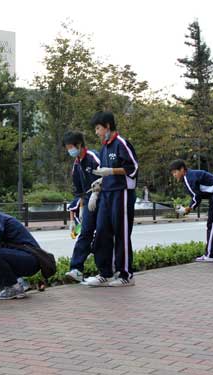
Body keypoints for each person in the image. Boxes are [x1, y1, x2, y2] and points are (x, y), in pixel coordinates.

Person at [83, 111, 139, 287]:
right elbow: (105, 170)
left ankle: (126, 275)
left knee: (121, 233)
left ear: (107, 126)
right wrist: (99, 182)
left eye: (98, 128)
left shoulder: (121, 143)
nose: (97, 132)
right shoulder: (105, 147)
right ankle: (105, 272)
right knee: (101, 231)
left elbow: (133, 168)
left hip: (122, 193)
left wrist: (112, 171)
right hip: (107, 192)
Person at [170, 159, 213, 262]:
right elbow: (198, 195)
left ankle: (210, 255)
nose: (174, 175)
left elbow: (196, 196)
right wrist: (190, 207)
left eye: (175, 172)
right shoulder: (190, 175)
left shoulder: (188, 177)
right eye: (172, 173)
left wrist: (187, 209)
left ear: (182, 169)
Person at [62, 131, 101, 282]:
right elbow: (80, 192)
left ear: (79, 145)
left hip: (103, 197)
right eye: (67, 148)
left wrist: (97, 193)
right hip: (88, 200)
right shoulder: (76, 164)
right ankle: (76, 269)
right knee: (85, 232)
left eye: (71, 147)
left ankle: (108, 268)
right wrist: (82, 210)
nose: (69, 151)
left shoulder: (93, 157)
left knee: (103, 233)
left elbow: (107, 176)